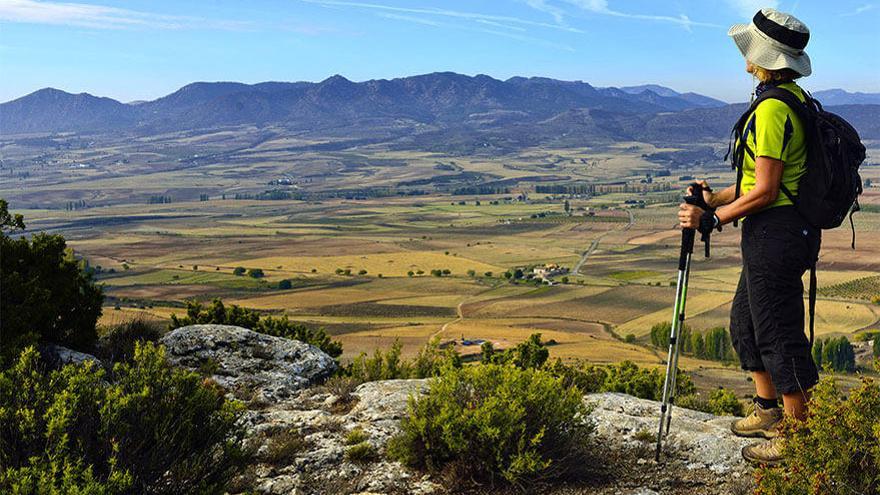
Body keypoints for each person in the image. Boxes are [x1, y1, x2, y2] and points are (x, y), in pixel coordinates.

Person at [677, 8, 819, 465]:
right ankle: (768, 412)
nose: (745, 61)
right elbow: (758, 180)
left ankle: (800, 437)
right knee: (745, 324)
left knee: (777, 330)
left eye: (751, 52)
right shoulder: (784, 98)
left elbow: (766, 190)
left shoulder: (775, 107)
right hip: (773, 233)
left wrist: (713, 222)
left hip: (777, 234)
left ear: (766, 57)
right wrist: (713, 200)